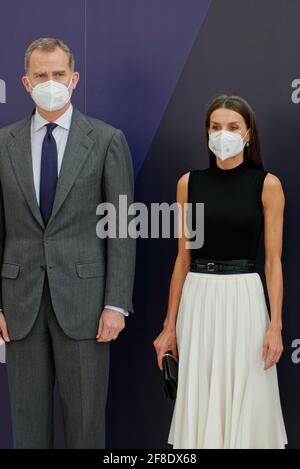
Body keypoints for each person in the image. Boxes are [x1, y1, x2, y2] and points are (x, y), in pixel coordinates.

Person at [0, 38, 135, 449]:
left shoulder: (107, 140)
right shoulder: (3, 143)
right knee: (27, 427)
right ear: (25, 83)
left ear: (74, 79)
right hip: (20, 305)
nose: (50, 82)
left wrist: (115, 303)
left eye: (58, 74)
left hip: (87, 305)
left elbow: (123, 227)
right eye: (41, 75)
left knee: (85, 427)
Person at [153, 95, 288, 449]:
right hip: (198, 298)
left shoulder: (267, 185)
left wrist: (275, 325)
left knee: (246, 394)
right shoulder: (189, 183)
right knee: (202, 395)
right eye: (215, 127)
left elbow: (273, 262)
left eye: (232, 127)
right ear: (206, 133)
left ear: (248, 135)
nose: (222, 134)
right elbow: (182, 259)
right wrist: (169, 327)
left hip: (244, 297)